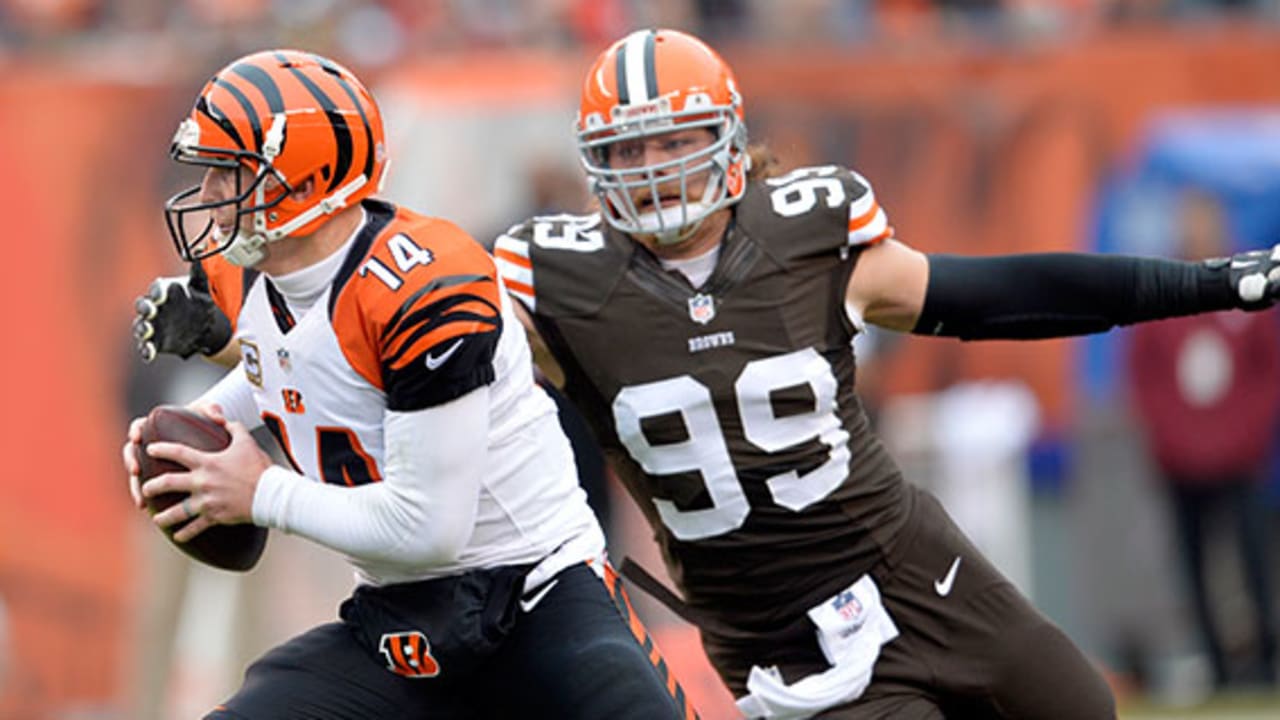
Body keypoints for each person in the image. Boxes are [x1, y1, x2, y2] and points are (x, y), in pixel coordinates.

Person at [490, 28, 1280, 718]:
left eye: (672, 141)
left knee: (1078, 703)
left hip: (905, 558)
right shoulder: (558, 284)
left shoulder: (805, 235)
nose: (652, 168)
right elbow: (434, 381)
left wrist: (1203, 283)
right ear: (595, 162)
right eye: (628, 149)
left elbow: (1001, 295)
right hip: (770, 618)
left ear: (727, 140)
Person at [121, 49, 695, 720]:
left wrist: (259, 492)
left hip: (537, 600)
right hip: (400, 619)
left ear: (302, 178)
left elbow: (429, 529)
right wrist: (194, 433)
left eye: (230, 171)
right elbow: (295, 369)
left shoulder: (425, 288)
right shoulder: (249, 277)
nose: (211, 194)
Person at [1126, 189, 1280, 689]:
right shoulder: (1164, 291)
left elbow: (1267, 373)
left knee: (1252, 558)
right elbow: (1145, 379)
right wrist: (1175, 440)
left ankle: (1263, 663)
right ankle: (1216, 665)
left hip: (1238, 459)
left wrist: (1243, 436)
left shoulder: (1247, 287)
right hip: (1181, 462)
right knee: (1193, 565)